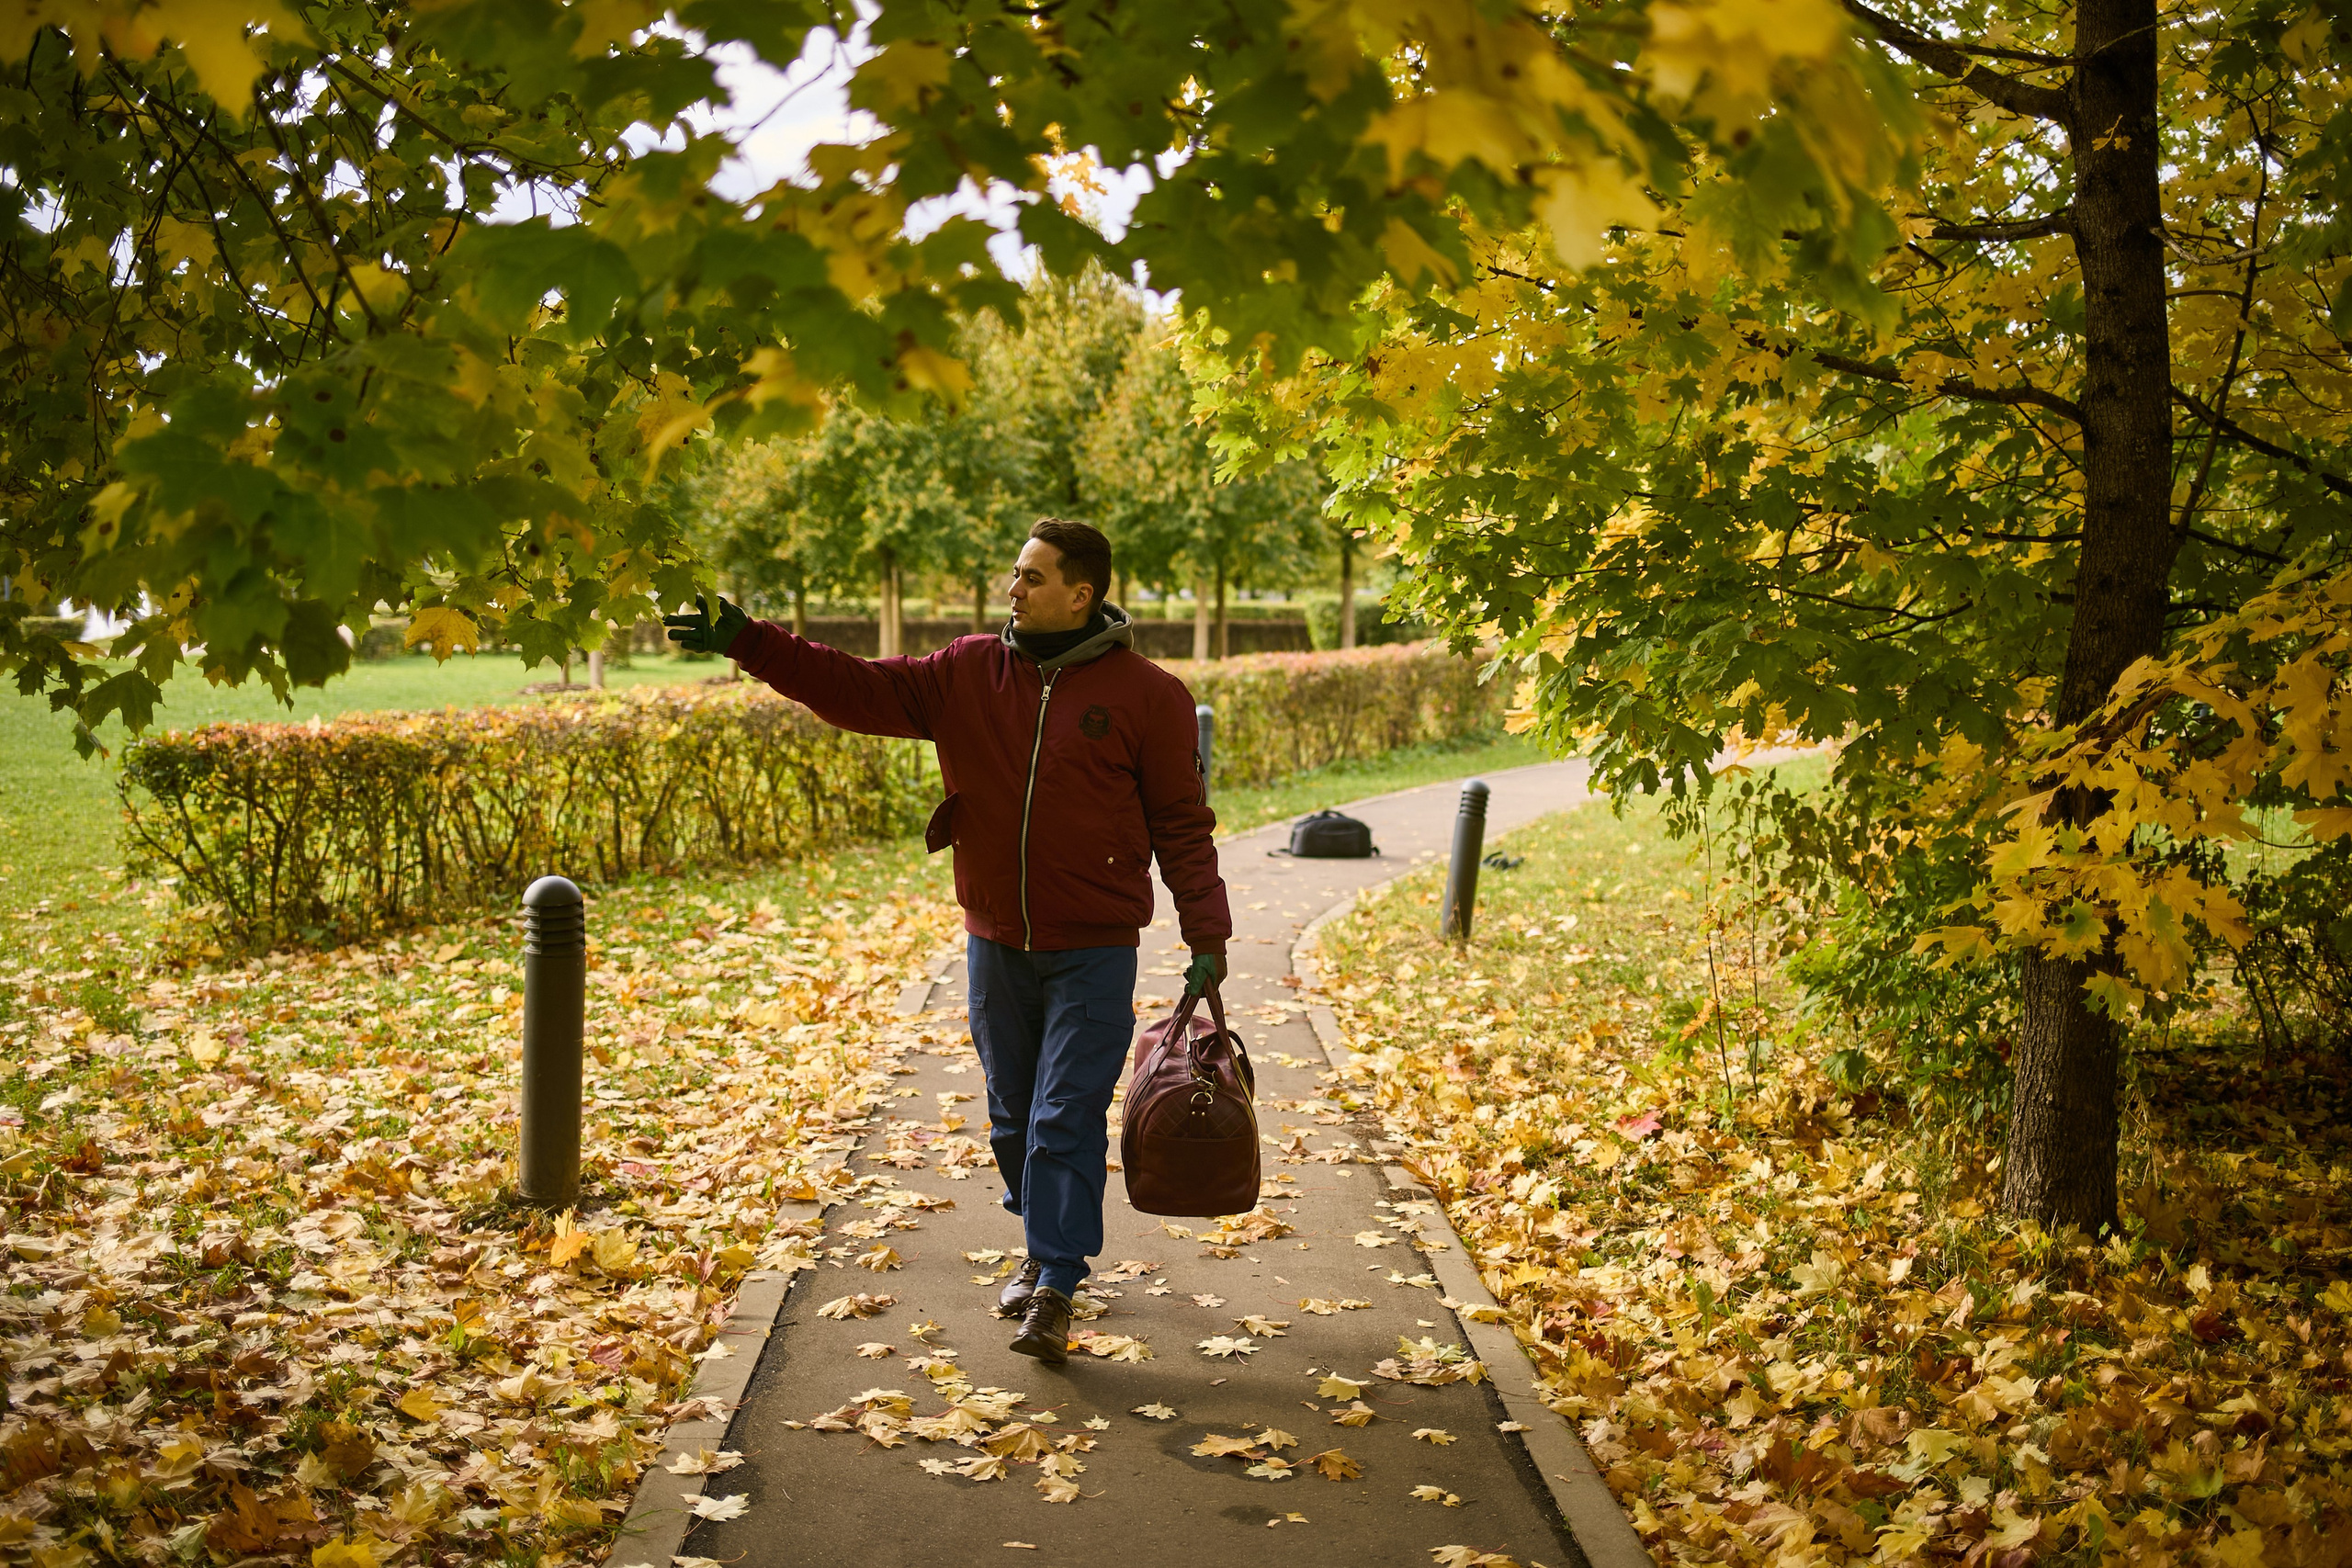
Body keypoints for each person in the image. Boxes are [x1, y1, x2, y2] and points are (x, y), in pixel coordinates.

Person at [664, 519, 1231, 1363]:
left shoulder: (1151, 695)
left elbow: (1182, 822)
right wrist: (749, 640)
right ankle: (1041, 1241)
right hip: (995, 939)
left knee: (1063, 1112)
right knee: (1011, 1116)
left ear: (1082, 593)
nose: (1013, 588)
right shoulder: (966, 671)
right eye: (1015, 573)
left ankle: (1057, 1282)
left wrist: (1206, 929)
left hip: (1095, 945)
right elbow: (853, 686)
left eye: (1032, 577)